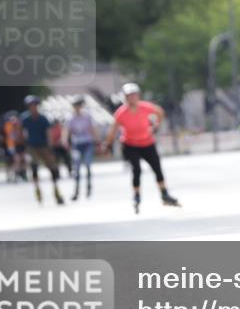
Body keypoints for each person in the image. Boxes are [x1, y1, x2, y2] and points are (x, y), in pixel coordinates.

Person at [101, 83, 180, 214]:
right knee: (136, 170)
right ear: (125, 98)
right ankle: (137, 196)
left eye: (134, 95)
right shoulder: (121, 113)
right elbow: (113, 130)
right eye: (129, 96)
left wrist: (156, 125)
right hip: (131, 145)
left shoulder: (145, 107)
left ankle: (164, 194)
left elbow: (160, 112)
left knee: (157, 168)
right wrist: (107, 145)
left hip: (147, 142)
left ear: (138, 96)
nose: (132, 98)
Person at [19, 95, 65, 205]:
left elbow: (48, 133)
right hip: (31, 147)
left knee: (53, 168)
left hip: (43, 146)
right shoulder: (25, 119)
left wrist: (50, 147)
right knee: (34, 167)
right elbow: (22, 133)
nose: (33, 108)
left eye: (34, 105)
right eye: (31, 106)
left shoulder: (43, 118)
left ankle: (56, 190)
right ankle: (37, 189)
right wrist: (23, 147)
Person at [65, 96, 100, 200]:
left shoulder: (87, 116)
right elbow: (67, 131)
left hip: (87, 143)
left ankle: (89, 187)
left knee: (88, 166)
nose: (77, 108)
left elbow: (92, 129)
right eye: (75, 106)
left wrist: (97, 141)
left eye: (79, 105)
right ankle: (76, 191)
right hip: (77, 144)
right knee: (77, 168)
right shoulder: (70, 118)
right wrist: (66, 141)